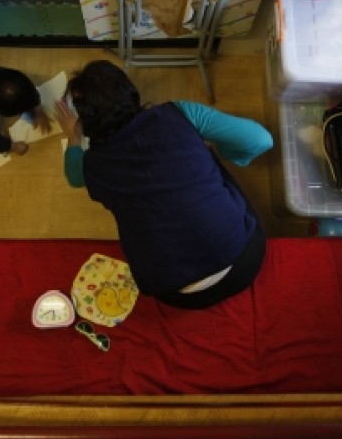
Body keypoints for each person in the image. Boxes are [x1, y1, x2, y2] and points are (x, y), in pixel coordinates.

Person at [54, 60, 273, 309]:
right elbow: (261, 140)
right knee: (209, 161)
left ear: (86, 122)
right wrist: (223, 152)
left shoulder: (91, 165)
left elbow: (73, 175)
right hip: (244, 260)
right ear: (129, 92)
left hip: (178, 293)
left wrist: (72, 136)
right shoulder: (180, 114)